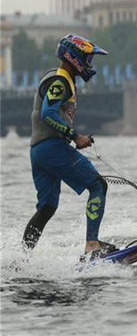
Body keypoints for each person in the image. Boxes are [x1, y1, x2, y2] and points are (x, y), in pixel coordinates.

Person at [23, 33, 115, 260]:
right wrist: (75, 136)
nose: (89, 64)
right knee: (98, 186)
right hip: (52, 147)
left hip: (39, 152)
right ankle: (92, 246)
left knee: (47, 207)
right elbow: (48, 114)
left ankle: (23, 259)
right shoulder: (61, 81)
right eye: (87, 58)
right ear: (74, 57)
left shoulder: (63, 79)